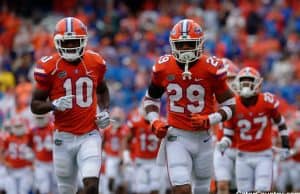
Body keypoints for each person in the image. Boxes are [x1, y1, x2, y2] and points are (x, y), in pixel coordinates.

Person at [143, 19, 236, 194]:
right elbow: (150, 100)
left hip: (204, 138)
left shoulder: (212, 68)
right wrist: (154, 121)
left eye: (189, 44)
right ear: (172, 45)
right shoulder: (163, 67)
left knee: (202, 188)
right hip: (176, 136)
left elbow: (231, 104)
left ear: (199, 44)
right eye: (181, 44)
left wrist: (210, 119)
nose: (185, 49)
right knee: (182, 189)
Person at [30, 17, 110, 194]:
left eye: (75, 41)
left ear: (84, 41)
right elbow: (35, 105)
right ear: (57, 42)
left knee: (91, 185)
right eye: (67, 42)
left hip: (90, 134)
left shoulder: (95, 62)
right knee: (66, 189)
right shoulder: (49, 66)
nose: (72, 46)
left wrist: (104, 111)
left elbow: (103, 90)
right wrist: (53, 105)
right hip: (63, 136)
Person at [217, 67, 291, 192]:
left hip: (263, 155)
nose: (246, 84)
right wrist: (224, 142)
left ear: (258, 83)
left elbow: (281, 123)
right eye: (243, 81)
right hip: (242, 156)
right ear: (237, 83)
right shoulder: (233, 105)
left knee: (262, 190)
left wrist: (285, 144)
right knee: (244, 191)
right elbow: (228, 133)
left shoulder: (267, 101)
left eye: (249, 81)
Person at [213, 58, 239, 194]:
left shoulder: (245, 100)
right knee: (221, 185)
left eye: (231, 78)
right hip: (220, 147)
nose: (228, 83)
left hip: (243, 149)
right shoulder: (210, 98)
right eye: (225, 79)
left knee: (240, 188)